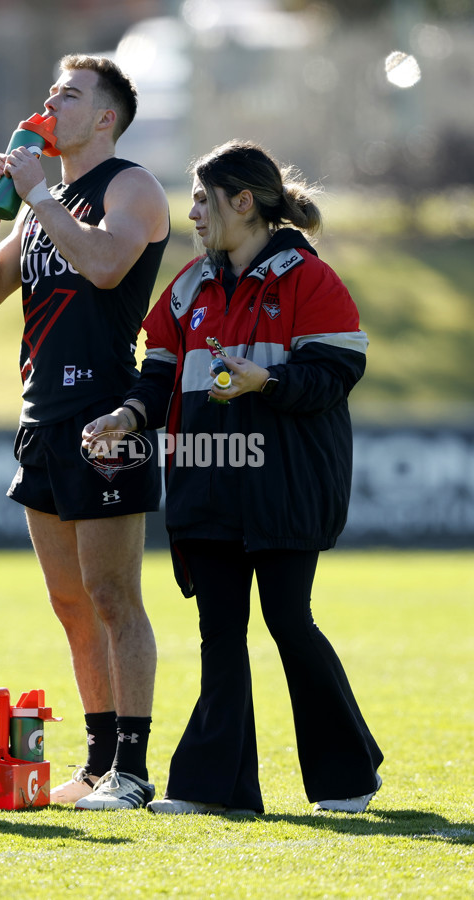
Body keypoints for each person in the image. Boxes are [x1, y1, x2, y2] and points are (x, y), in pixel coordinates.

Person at [82, 140, 383, 815]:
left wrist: (268, 381)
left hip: (284, 489)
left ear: (242, 202)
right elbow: (157, 375)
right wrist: (127, 416)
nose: (191, 214)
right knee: (219, 633)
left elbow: (336, 374)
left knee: (288, 621)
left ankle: (348, 777)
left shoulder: (309, 279)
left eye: (200, 200)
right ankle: (215, 793)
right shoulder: (188, 286)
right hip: (205, 484)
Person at [0, 54, 170, 811]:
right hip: (40, 416)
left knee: (114, 595)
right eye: (52, 91)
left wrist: (40, 194)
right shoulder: (45, 201)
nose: (52, 102)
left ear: (105, 117)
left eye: (70, 94)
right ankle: (100, 759)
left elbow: (109, 265)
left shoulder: (129, 186)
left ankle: (136, 772)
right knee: (72, 604)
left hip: (105, 414)